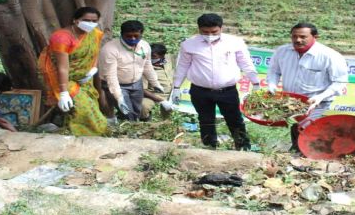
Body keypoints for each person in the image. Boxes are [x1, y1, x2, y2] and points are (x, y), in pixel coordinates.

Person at [172, 13, 260, 150]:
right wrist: (176, 87)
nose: (210, 35)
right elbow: (182, 66)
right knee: (205, 119)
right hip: (200, 91)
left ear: (221, 28)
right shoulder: (189, 45)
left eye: (214, 32)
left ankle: (243, 146)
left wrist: (255, 83)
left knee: (235, 119)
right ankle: (210, 146)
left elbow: (246, 63)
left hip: (227, 91)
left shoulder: (235, 43)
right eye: (205, 32)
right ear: (199, 29)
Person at [266, 22, 348, 152]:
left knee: (307, 130)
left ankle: (309, 157)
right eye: (294, 36)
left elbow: (340, 82)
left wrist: (320, 97)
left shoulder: (330, 56)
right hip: (291, 102)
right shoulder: (282, 51)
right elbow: (274, 71)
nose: (298, 40)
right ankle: (297, 155)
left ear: (315, 37)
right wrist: (272, 85)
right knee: (296, 128)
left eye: (303, 37)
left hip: (317, 103)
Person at [38, 6, 107, 136]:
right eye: (86, 20)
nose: (90, 24)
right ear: (75, 20)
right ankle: (84, 135)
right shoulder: (62, 38)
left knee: (92, 107)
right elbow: (62, 67)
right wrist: (63, 93)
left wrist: (93, 68)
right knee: (84, 108)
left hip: (85, 78)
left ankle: (82, 132)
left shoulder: (94, 34)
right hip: (62, 79)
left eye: (94, 21)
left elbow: (94, 52)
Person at [99, 20, 164, 122]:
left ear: (141, 34)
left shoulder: (145, 46)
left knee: (136, 110)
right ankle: (126, 128)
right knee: (127, 113)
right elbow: (110, 76)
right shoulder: (110, 49)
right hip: (116, 83)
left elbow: (147, 65)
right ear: (122, 34)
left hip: (136, 83)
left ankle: (130, 124)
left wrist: (155, 83)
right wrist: (118, 96)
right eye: (129, 36)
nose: (133, 39)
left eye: (136, 36)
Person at [140, 43, 174, 121]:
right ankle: (145, 122)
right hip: (153, 94)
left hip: (171, 93)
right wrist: (161, 100)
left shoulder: (168, 60)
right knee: (143, 106)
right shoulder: (144, 68)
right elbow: (143, 90)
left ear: (162, 56)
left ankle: (167, 123)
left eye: (154, 56)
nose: (151, 58)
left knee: (169, 114)